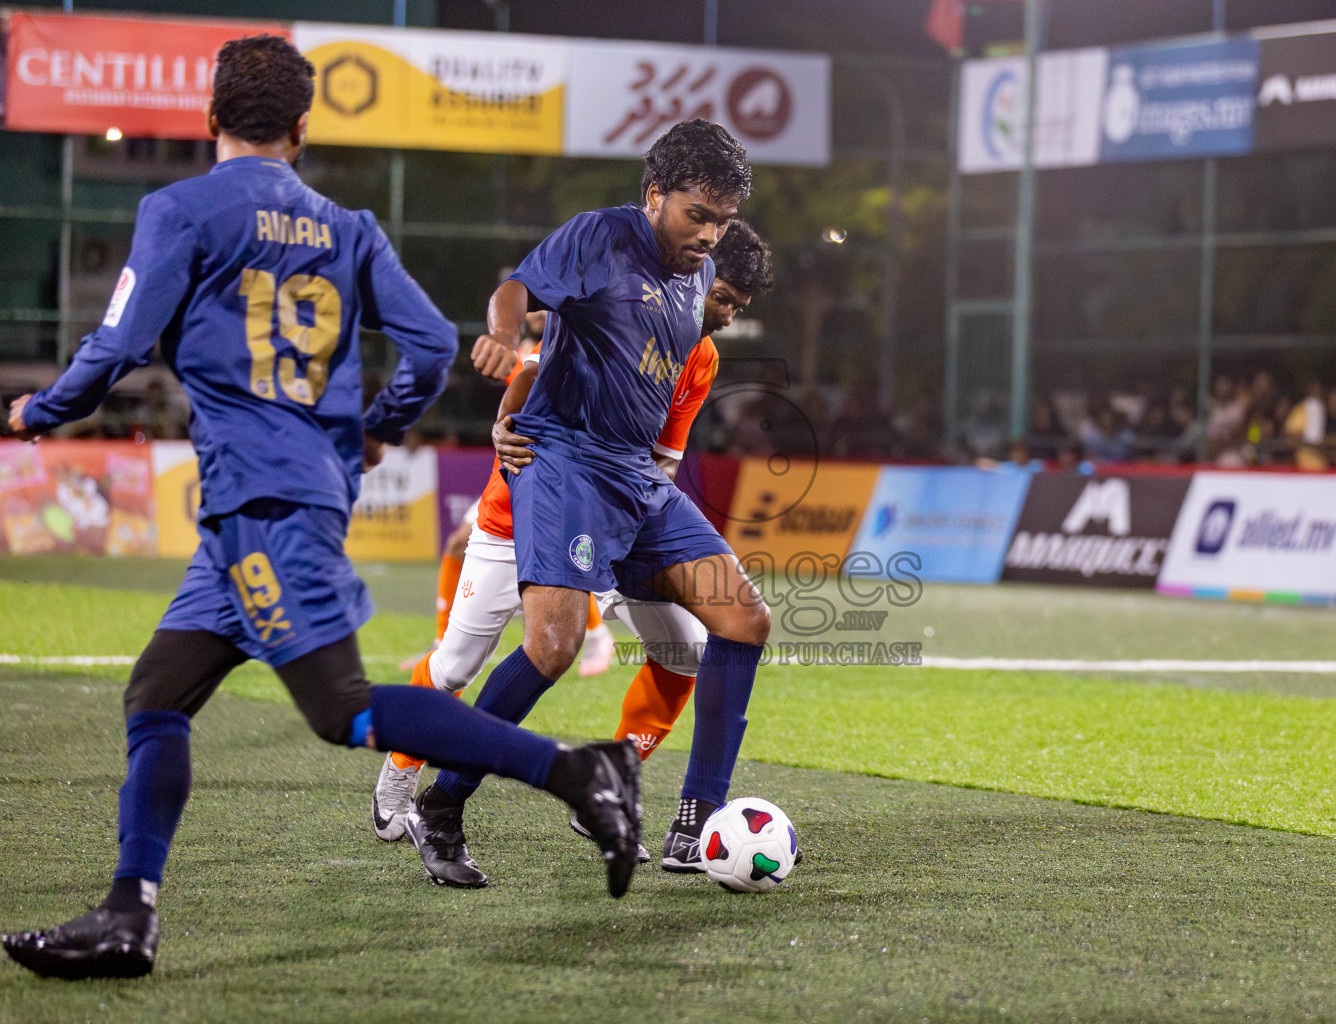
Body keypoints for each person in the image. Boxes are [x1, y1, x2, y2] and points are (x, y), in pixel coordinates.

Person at [1, 36, 641, 982]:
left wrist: (34, 411)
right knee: (157, 695)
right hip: (283, 498)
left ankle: (576, 771)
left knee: (341, 709)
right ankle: (129, 915)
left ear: (209, 119)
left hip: (262, 499)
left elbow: (119, 341)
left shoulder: (178, 208)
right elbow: (428, 343)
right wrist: (375, 430)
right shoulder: (350, 229)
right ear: (301, 130)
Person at [407, 119, 772, 884]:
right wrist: (505, 340)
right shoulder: (601, 237)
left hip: (633, 476)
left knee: (743, 617)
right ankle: (443, 801)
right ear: (654, 197)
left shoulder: (700, 278)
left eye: (721, 220)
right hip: (563, 461)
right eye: (695, 215)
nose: (707, 235)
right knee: (553, 647)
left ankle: (696, 822)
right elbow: (517, 293)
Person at [398, 310, 615, 678]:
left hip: (546, 477)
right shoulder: (526, 352)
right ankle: (444, 643)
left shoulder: (577, 349)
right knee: (460, 547)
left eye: (541, 305)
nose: (533, 314)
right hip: (508, 471)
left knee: (557, 567)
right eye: (528, 306)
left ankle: (597, 635)